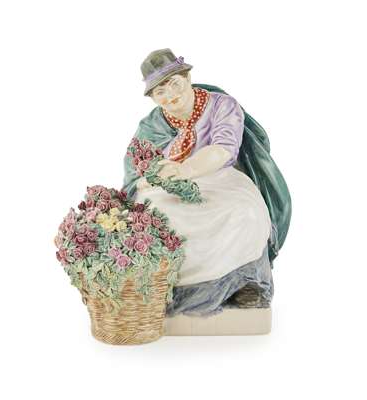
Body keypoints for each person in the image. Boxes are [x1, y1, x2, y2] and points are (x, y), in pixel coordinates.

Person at [122, 49, 291, 317]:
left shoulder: (222, 105)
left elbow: (224, 148)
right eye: (160, 92)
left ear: (188, 78)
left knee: (245, 212)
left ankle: (242, 283)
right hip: (167, 186)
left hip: (219, 176)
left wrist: (187, 168)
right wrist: (154, 175)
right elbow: (138, 167)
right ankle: (166, 287)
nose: (170, 96)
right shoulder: (152, 125)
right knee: (156, 216)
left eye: (174, 84)